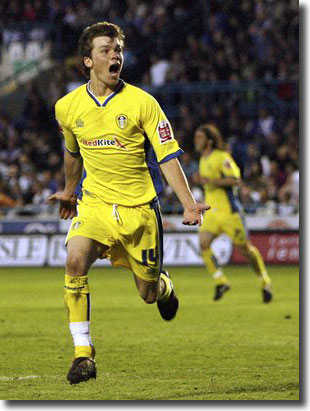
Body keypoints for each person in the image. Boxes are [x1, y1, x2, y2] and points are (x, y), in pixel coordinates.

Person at [48, 21, 209, 385]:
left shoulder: (143, 103)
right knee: (74, 261)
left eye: (117, 49)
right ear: (87, 61)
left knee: (147, 294)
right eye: (105, 50)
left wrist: (188, 202)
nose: (114, 56)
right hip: (96, 205)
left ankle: (164, 286)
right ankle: (83, 355)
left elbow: (167, 156)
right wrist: (70, 190)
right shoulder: (67, 107)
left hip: (139, 212)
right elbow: (73, 153)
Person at [193, 123, 272, 303]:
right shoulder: (203, 159)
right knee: (203, 244)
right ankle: (220, 281)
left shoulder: (222, 157)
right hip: (212, 213)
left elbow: (235, 180)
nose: (195, 140)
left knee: (246, 250)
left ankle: (265, 281)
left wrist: (211, 180)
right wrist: (202, 181)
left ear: (210, 141)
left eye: (199, 137)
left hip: (230, 213)